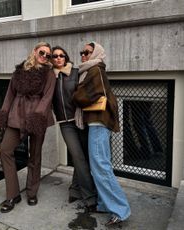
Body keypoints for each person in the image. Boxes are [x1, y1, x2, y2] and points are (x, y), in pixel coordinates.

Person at [73, 42, 131, 226]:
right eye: (81, 52)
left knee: (101, 167)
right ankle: (105, 204)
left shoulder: (95, 69)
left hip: (99, 122)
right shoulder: (89, 70)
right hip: (96, 122)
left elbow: (84, 96)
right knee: (99, 166)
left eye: (87, 52)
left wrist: (74, 94)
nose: (83, 55)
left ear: (96, 53)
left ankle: (120, 210)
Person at [0, 42, 56, 213]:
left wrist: (36, 117)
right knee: (5, 150)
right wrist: (4, 115)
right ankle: (13, 194)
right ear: (35, 51)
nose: (44, 56)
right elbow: (9, 95)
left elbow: (47, 98)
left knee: (34, 156)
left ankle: (32, 192)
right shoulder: (19, 70)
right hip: (16, 115)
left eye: (48, 55)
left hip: (38, 117)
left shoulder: (49, 74)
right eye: (42, 52)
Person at [51, 46, 97, 209]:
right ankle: (90, 196)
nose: (58, 58)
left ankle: (75, 190)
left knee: (83, 157)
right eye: (55, 56)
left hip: (81, 120)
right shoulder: (50, 78)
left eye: (61, 55)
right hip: (65, 123)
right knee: (78, 157)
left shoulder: (76, 72)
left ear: (66, 57)